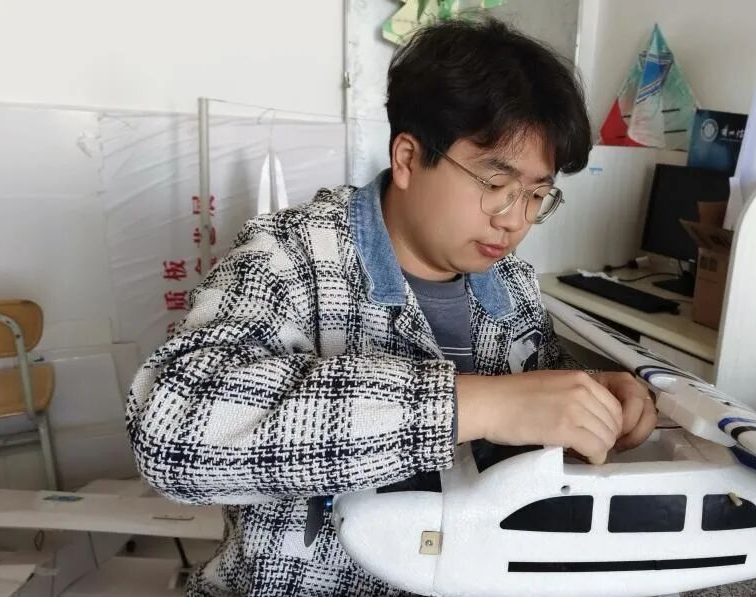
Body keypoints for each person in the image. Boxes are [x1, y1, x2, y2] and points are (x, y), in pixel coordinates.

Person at [126, 18, 658, 596]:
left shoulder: (511, 285)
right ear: (407, 158)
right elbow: (170, 428)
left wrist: (592, 398)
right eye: (494, 183)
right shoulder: (289, 256)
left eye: (536, 194)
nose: (514, 219)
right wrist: (472, 404)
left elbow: (532, 411)